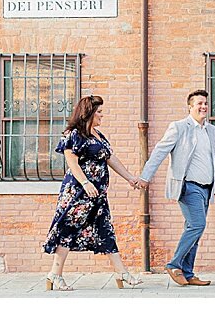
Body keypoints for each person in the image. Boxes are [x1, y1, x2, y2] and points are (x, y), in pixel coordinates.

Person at [42, 95, 144, 292]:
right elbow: (71, 161)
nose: (102, 115)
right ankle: (55, 274)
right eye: (99, 112)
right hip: (78, 192)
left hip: (97, 193)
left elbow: (111, 159)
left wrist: (130, 178)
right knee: (68, 230)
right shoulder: (73, 134)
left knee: (105, 229)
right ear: (88, 112)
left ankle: (121, 272)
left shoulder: (98, 135)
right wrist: (86, 182)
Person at [136, 88, 215, 287]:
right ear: (190, 107)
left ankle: (188, 273)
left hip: (207, 188)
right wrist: (145, 177)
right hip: (188, 187)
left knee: (194, 230)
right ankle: (174, 264)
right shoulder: (179, 127)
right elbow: (159, 152)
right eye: (199, 103)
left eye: (205, 103)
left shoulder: (211, 130)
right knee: (197, 225)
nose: (203, 106)